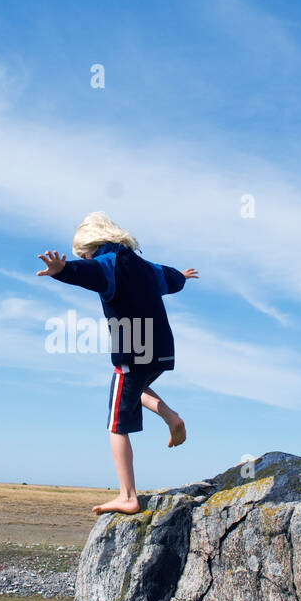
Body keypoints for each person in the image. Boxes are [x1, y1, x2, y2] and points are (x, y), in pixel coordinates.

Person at [37, 212, 198, 514]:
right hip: (161, 349)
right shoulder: (143, 266)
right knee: (134, 388)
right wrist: (183, 277)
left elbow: (88, 273)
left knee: (116, 423)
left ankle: (127, 496)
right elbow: (170, 277)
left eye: (82, 253)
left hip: (133, 349)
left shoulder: (105, 263)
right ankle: (172, 417)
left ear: (91, 246)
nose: (84, 258)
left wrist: (62, 269)